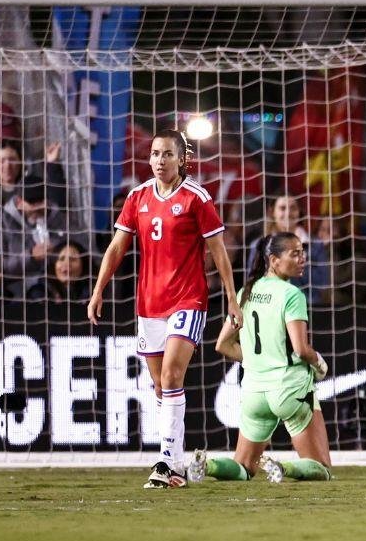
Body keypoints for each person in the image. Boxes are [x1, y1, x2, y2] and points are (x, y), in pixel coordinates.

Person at [87, 129, 241, 489]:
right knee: (159, 385)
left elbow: (219, 252)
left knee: (172, 376)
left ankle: (167, 462)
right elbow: (115, 249)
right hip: (149, 304)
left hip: (188, 299)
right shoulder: (137, 197)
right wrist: (98, 291)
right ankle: (177, 461)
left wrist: (232, 298)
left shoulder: (196, 198)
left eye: (167, 154)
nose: (159, 160)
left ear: (181, 159)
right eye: (155, 154)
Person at [187, 232, 332, 484]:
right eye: (295, 253)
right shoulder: (291, 294)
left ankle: (205, 464)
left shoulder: (246, 291)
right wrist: (319, 362)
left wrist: (258, 360)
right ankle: (282, 467)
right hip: (290, 388)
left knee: (242, 467)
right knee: (322, 469)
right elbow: (300, 349)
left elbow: (222, 344)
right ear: (273, 260)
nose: (303, 258)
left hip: (254, 391)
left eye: (302, 252)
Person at [0, 172, 89, 294]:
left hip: (57, 291)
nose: (36, 207)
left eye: (40, 200)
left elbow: (82, 250)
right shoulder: (3, 222)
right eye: (31, 202)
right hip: (16, 293)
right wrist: (31, 257)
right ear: (19, 201)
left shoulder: (59, 218)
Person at [26, 240, 91, 303]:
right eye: (61, 259)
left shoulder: (93, 293)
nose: (66, 264)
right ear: (53, 265)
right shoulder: (38, 294)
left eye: (73, 259)